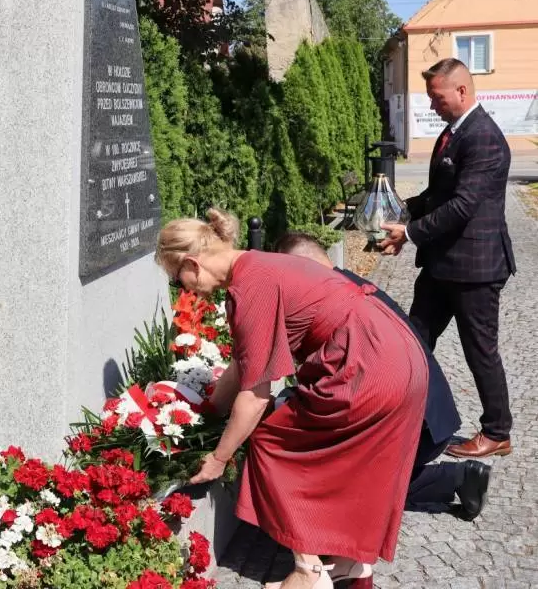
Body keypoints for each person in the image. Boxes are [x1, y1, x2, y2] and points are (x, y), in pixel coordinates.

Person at [156, 208, 429, 589]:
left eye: (176, 280)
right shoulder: (256, 266)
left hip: (368, 365)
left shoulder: (249, 285)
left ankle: (308, 570)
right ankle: (350, 563)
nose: (183, 290)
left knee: (271, 442)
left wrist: (219, 458)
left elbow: (256, 396)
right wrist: (209, 410)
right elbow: (243, 363)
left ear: (191, 263)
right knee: (349, 459)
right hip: (397, 354)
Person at [274, 231, 491, 520]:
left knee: (346, 485)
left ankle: (458, 478)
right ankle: (459, 478)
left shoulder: (334, 302)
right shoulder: (352, 285)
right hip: (431, 413)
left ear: (303, 269)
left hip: (416, 424)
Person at [380, 58, 516, 459]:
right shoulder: (454, 132)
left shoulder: (484, 137)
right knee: (414, 337)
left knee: (480, 351)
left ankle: (497, 431)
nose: (431, 105)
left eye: (437, 97)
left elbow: (462, 206)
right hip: (442, 265)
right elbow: (438, 195)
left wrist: (410, 233)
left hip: (475, 268)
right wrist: (402, 210)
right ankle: (396, 414)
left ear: (462, 91)